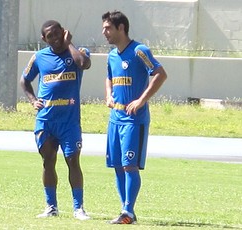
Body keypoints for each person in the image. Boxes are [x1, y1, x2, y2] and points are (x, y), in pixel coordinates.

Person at [20, 20, 91, 220]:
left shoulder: (77, 52)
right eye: (50, 36)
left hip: (69, 121)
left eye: (57, 33)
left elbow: (84, 64)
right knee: (48, 161)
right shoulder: (39, 57)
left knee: (73, 160)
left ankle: (79, 208)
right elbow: (24, 80)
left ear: (64, 32)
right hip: (46, 120)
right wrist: (33, 100)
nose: (55, 38)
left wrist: (69, 45)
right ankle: (51, 207)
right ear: (44, 39)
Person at [101, 11, 167, 224]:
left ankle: (128, 211)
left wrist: (141, 100)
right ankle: (125, 210)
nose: (104, 32)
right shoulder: (112, 55)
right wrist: (108, 94)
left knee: (130, 165)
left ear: (121, 28)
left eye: (108, 28)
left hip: (133, 120)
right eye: (103, 28)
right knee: (118, 166)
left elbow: (160, 74)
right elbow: (109, 77)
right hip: (115, 118)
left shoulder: (139, 51)